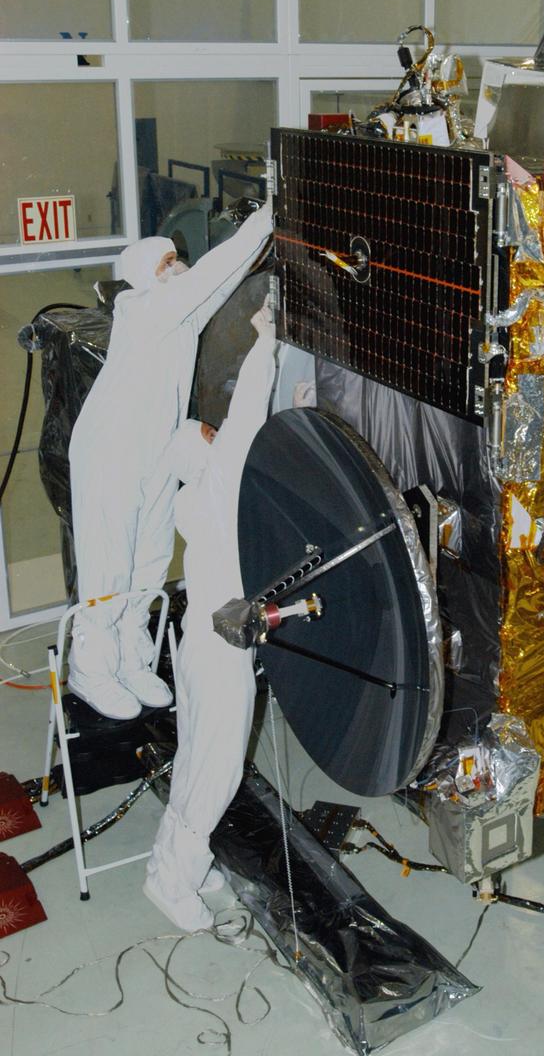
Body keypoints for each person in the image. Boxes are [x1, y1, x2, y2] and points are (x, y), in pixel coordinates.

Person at [68, 202, 273, 720]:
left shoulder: (178, 316)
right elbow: (212, 272)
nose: (178, 265)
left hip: (154, 448)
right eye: (167, 262)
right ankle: (91, 667)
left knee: (150, 559)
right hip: (110, 451)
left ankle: (132, 659)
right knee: (109, 563)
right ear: (144, 277)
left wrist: (263, 244)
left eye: (177, 258)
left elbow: (219, 283)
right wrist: (270, 213)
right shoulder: (143, 310)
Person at [143, 296, 277, 932]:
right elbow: (248, 415)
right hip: (221, 651)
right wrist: (265, 339)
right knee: (217, 767)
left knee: (198, 755)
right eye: (206, 432)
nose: (216, 431)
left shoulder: (195, 505)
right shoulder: (219, 487)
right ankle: (173, 881)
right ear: (202, 453)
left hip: (200, 641)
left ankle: (177, 863)